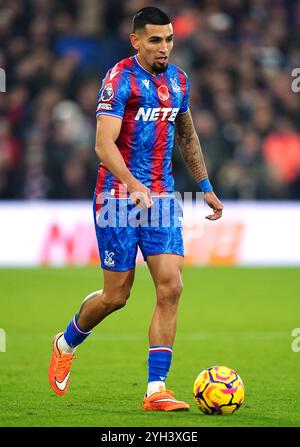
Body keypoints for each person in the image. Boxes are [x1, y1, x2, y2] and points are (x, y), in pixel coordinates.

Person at [48, 6, 223, 411]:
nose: (165, 48)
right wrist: (131, 184)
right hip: (116, 198)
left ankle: (155, 389)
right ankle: (66, 341)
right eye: (156, 40)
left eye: (170, 40)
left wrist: (206, 186)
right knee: (116, 295)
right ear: (136, 41)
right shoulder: (119, 79)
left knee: (172, 286)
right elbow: (102, 144)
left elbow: (188, 136)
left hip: (161, 199)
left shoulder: (179, 81)